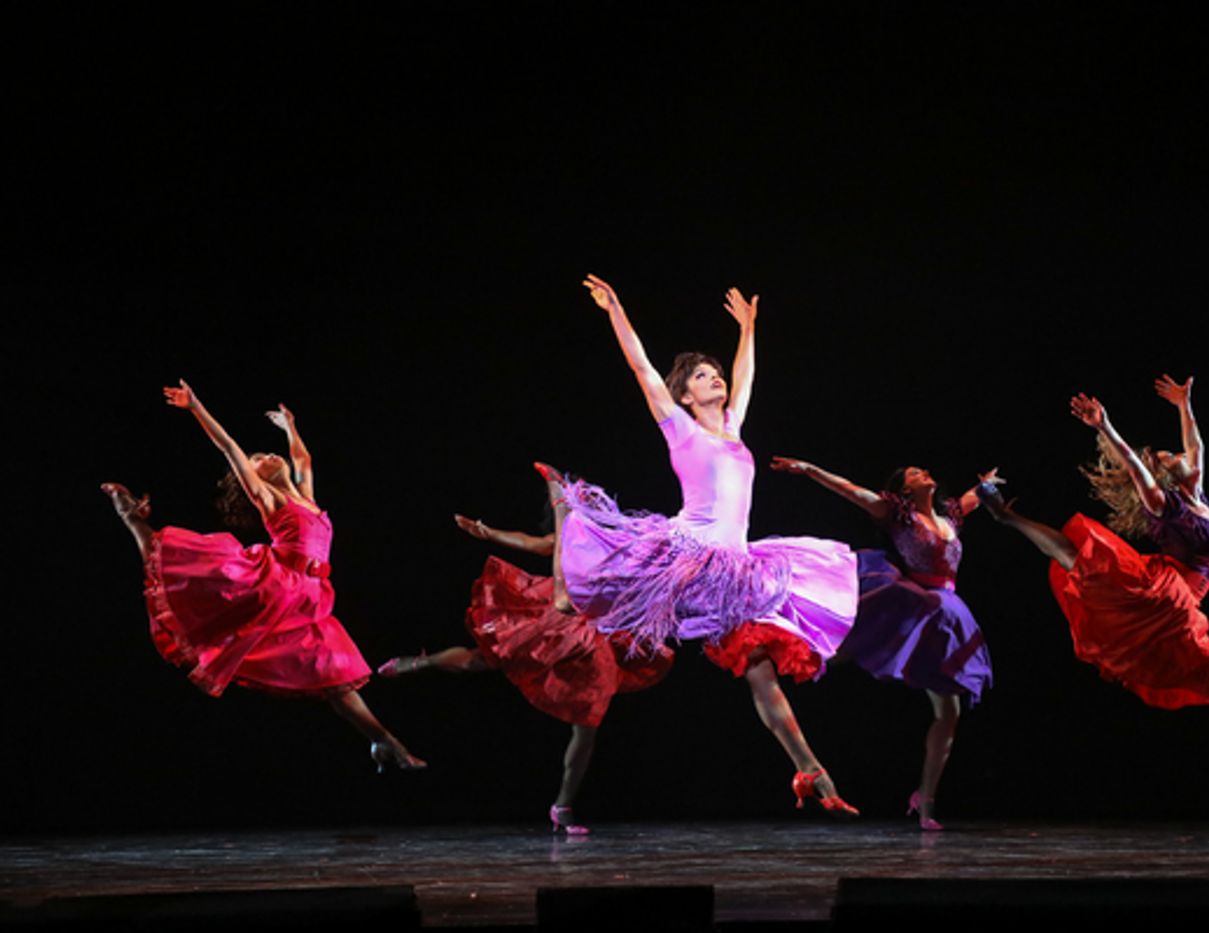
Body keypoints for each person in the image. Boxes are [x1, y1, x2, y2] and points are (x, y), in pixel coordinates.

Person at [553, 274, 860, 815]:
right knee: (603, 585)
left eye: (714, 371)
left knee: (760, 670)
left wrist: (748, 330)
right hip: (690, 557)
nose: (714, 377)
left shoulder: (733, 429)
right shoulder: (681, 429)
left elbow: (746, 377)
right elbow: (642, 368)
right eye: (701, 375)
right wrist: (616, 310)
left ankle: (811, 771)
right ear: (685, 396)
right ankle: (567, 590)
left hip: (737, 569)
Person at [978, 375, 1209, 790]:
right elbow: (1133, 463)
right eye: (1172, 456)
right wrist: (1104, 425)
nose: (1179, 454)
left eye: (1175, 453)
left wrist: (1184, 405)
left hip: (1187, 599)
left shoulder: (1196, 492)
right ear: (1169, 476)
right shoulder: (1164, 504)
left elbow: (1197, 445)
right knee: (1086, 558)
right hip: (1167, 590)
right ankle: (1006, 516)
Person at [101, 381, 425, 773]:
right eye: (257, 460)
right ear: (254, 479)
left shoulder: (307, 496)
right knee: (182, 565)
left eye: (267, 453)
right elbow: (228, 447)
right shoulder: (271, 499)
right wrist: (196, 407)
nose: (266, 456)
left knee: (335, 674)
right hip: (277, 584)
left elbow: (303, 459)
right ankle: (133, 521)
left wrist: (290, 428)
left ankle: (382, 741)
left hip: (312, 598)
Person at [377, 466, 674, 834]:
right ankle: (421, 662)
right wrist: (489, 532)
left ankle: (563, 805)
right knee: (483, 660)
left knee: (587, 727)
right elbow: (530, 543)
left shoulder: (619, 541)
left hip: (598, 639)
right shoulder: (571, 535)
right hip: (559, 619)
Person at [771, 457, 997, 829]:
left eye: (924, 469)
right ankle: (797, 656)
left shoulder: (950, 518)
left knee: (949, 713)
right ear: (905, 489)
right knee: (858, 642)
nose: (925, 471)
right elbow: (849, 490)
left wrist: (988, 483)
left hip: (946, 618)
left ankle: (925, 801)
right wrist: (810, 470)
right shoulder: (896, 515)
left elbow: (975, 496)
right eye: (915, 473)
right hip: (913, 605)